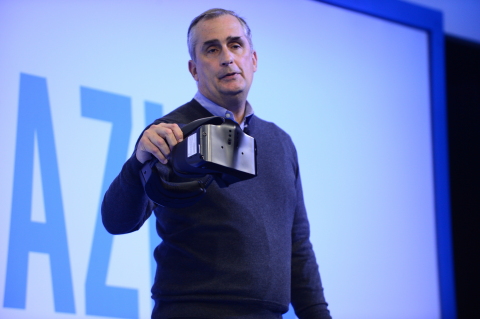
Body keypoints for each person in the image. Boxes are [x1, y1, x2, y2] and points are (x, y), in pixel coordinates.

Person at [102, 8, 331, 319]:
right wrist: (138, 161)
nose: (227, 57)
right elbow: (118, 220)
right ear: (194, 69)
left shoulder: (280, 142)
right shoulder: (171, 132)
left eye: (235, 45)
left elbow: (298, 247)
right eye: (212, 49)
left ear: (253, 59)